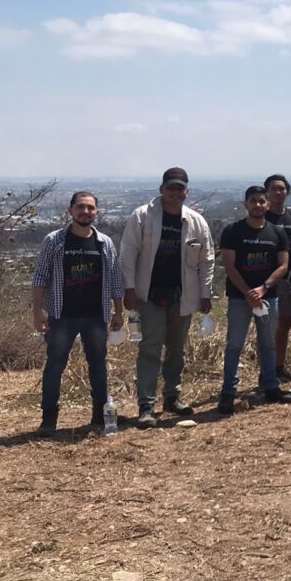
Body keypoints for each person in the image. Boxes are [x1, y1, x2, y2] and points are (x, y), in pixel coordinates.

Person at [121, 168, 214, 427]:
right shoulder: (142, 216)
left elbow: (207, 261)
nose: (175, 193)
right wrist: (129, 289)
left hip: (182, 295)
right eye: (171, 187)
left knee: (176, 349)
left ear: (187, 191)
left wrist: (206, 294)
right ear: (162, 189)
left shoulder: (196, 221)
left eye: (180, 188)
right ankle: (146, 405)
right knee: (150, 348)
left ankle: (172, 396)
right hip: (148, 293)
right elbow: (128, 255)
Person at [31, 192, 124, 437]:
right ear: (71, 210)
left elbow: (115, 279)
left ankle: (99, 416)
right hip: (62, 316)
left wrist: (118, 311)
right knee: (54, 366)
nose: (86, 212)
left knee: (98, 367)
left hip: (96, 315)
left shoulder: (105, 243)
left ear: (96, 211)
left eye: (90, 208)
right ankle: (49, 419)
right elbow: (40, 276)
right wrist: (37, 311)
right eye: (80, 207)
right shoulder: (55, 240)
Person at [217, 186, 291, 413]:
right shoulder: (233, 231)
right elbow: (229, 266)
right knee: (234, 345)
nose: (258, 205)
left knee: (268, 344)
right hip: (240, 299)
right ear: (245, 204)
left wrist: (264, 287)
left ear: (268, 204)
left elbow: (284, 265)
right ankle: (228, 392)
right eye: (253, 201)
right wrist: (249, 292)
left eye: (262, 201)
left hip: (268, 298)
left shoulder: (277, 233)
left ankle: (271, 386)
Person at [263, 174, 291, 383]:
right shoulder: (262, 216)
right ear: (267, 192)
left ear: (288, 191)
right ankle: (265, 372)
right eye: (273, 189)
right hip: (267, 280)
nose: (278, 192)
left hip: (290, 279)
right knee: (266, 328)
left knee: (285, 324)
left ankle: (278, 367)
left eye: (282, 189)